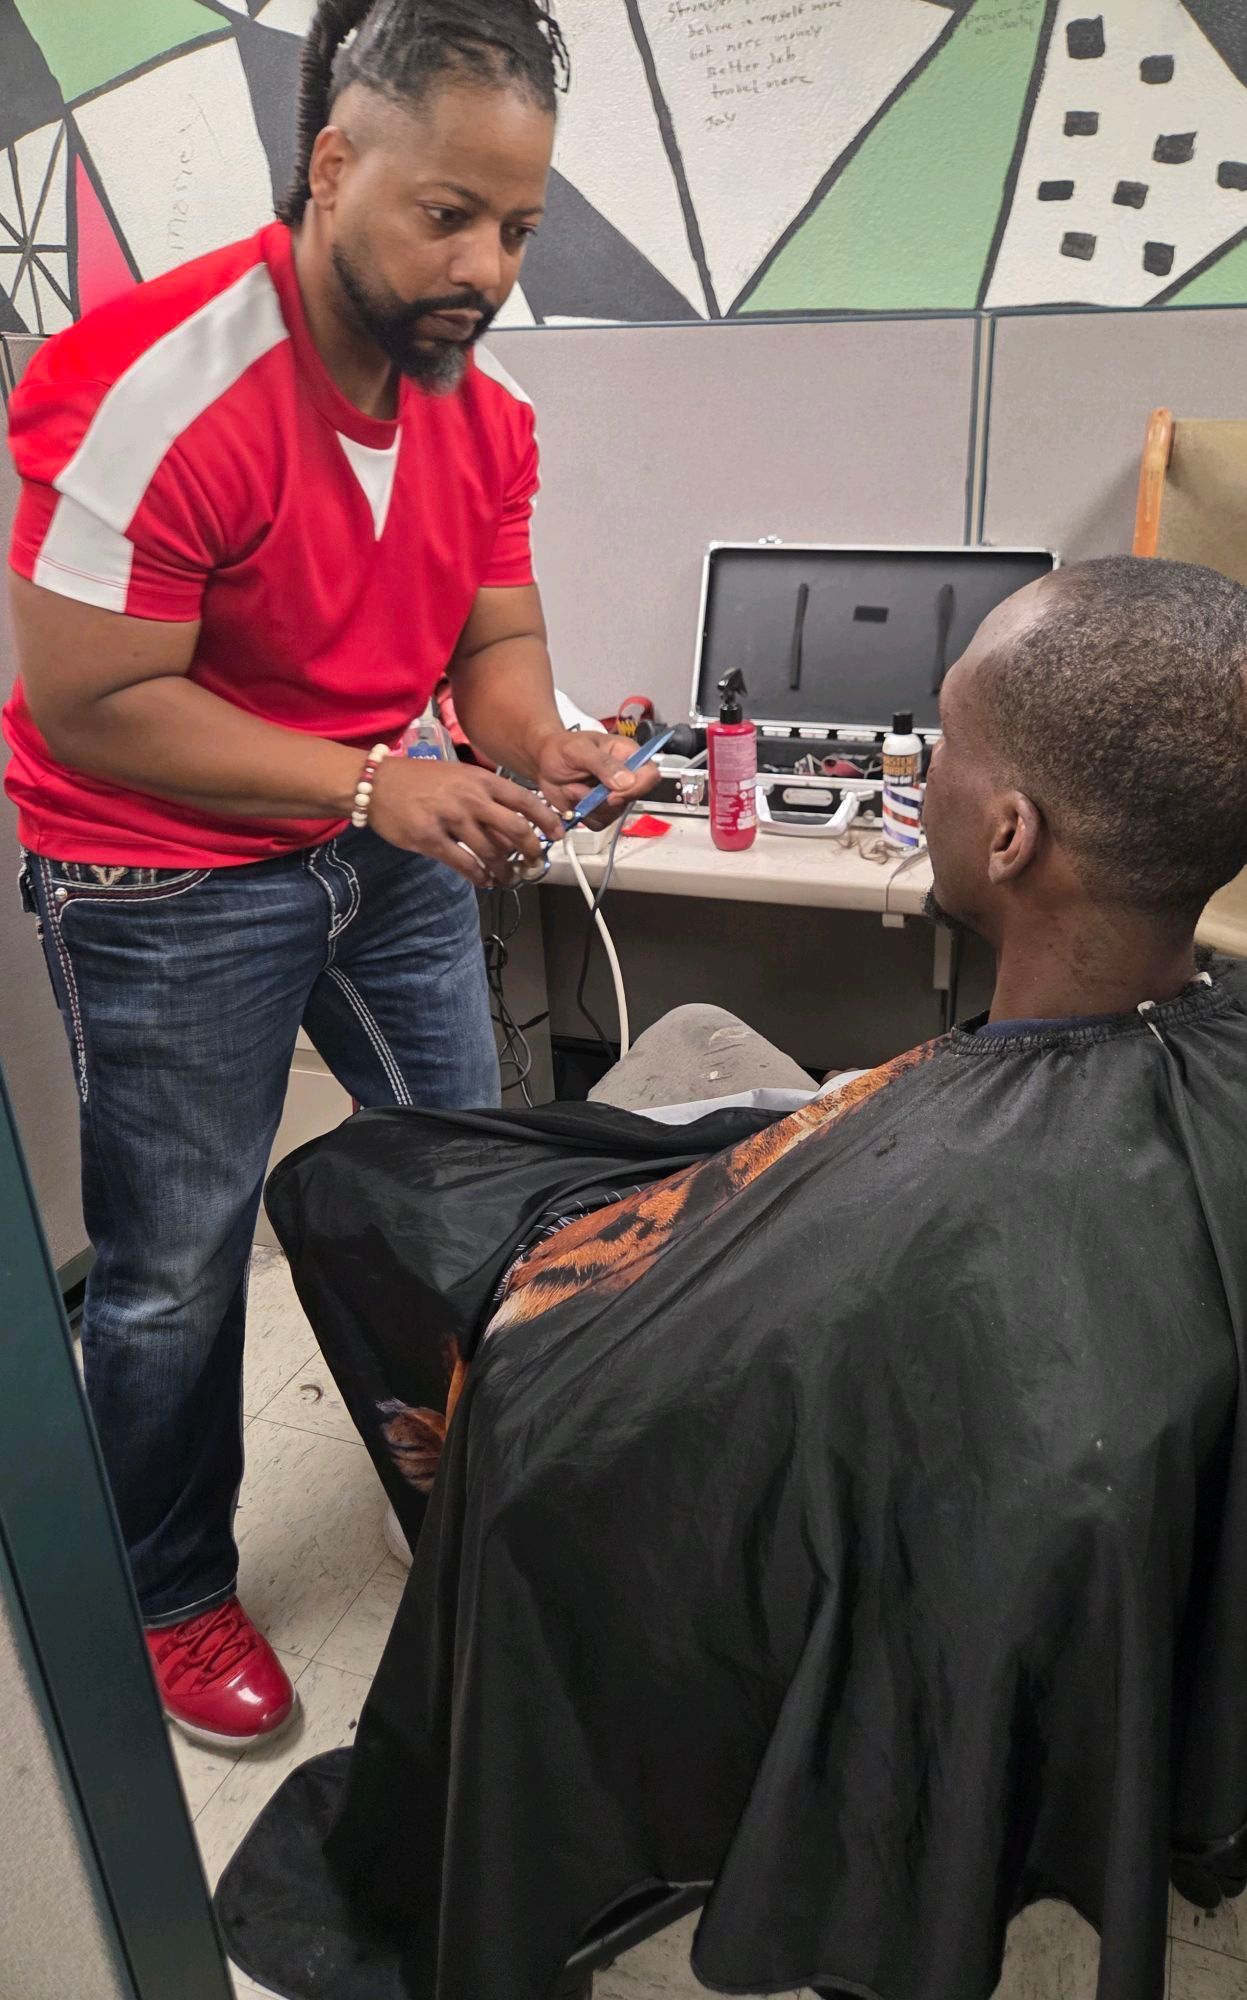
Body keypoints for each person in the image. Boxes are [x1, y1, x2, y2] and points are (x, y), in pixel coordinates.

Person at [215, 558, 1247, 2000]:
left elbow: (566, 1435)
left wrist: (541, 1359)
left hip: (893, 1301)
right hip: (1004, 1335)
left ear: (1009, 834)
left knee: (364, 1197)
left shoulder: (951, 1224)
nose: (925, 772)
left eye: (948, 744)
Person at [2, 0, 657, 1752]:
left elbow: (492, 643)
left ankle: (455, 1483)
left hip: (376, 832)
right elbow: (92, 703)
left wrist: (540, 742)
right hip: (161, 876)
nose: (487, 268)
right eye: (449, 215)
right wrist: (375, 782)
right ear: (334, 164)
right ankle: (164, 1591)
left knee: (471, 1181)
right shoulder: (155, 391)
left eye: (518, 228)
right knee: (175, 1262)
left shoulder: (483, 413)